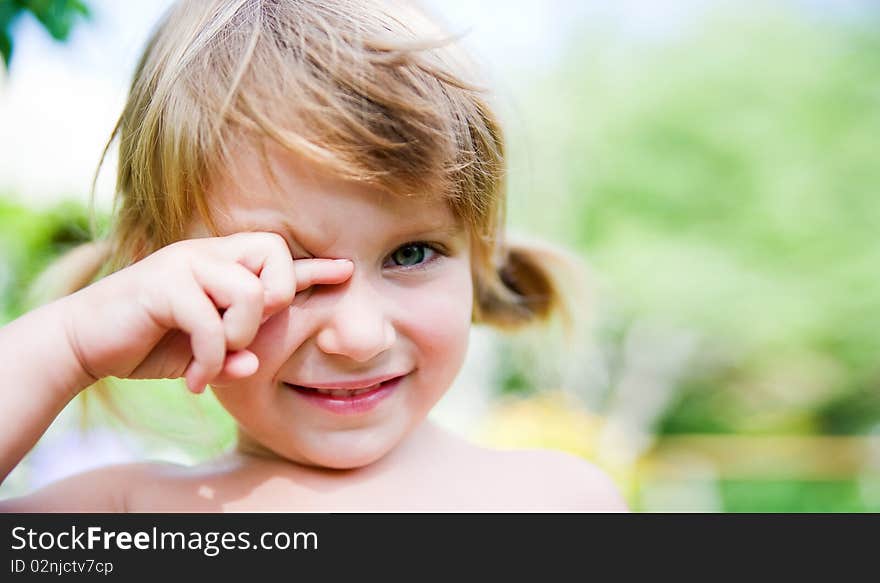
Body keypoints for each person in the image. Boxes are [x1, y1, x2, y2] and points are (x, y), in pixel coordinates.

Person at [0, 0, 627, 512]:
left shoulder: (558, 499)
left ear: (475, 258)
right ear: (160, 278)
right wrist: (68, 346)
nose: (358, 337)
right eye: (280, 267)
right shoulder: (126, 519)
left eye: (412, 253)